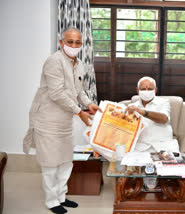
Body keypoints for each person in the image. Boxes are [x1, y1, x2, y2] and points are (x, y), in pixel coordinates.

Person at [23, 28, 101, 214]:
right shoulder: (54, 62)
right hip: (47, 120)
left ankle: (61, 196)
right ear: (61, 42)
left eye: (77, 42)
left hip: (64, 122)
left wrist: (89, 104)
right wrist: (78, 112)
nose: (74, 46)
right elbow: (57, 93)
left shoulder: (79, 64)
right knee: (50, 163)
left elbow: (78, 91)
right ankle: (51, 201)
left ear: (82, 44)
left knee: (66, 161)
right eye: (70, 41)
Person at [126, 76, 179, 153]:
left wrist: (142, 112)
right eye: (143, 89)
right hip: (140, 147)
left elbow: (163, 119)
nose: (146, 91)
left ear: (155, 90)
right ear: (138, 90)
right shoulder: (131, 107)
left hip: (163, 146)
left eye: (150, 89)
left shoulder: (164, 103)